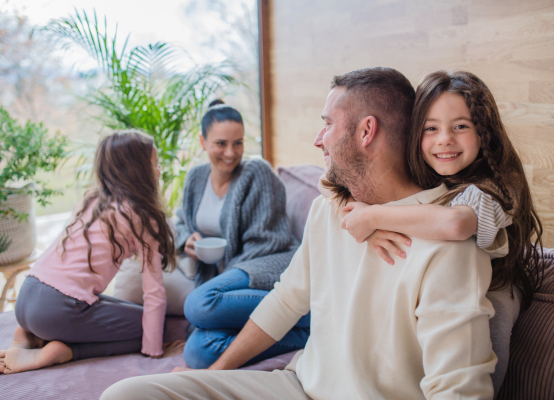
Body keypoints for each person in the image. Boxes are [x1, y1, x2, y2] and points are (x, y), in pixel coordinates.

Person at [101, 67, 498, 400]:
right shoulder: (332, 208)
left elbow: (459, 390)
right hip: (295, 386)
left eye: (327, 124)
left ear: (366, 131)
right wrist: (209, 378)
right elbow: (287, 299)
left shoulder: (450, 246)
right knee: (125, 395)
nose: (317, 138)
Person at [335, 70, 544, 396]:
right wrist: (362, 224)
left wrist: (373, 215)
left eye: (461, 126)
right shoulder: (430, 179)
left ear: (485, 133)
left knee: (487, 347)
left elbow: (455, 224)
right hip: (445, 291)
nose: (444, 139)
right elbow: (330, 180)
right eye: (431, 128)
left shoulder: (498, 188)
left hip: (497, 286)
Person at [0, 130, 180, 375]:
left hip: (28, 296)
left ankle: (31, 337)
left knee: (132, 312)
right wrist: (154, 349)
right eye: (155, 164)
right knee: (154, 328)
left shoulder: (90, 200)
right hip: (57, 309)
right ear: (138, 170)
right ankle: (65, 351)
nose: (159, 170)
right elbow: (154, 292)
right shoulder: (142, 216)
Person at [174, 100, 308, 369]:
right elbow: (181, 221)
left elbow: (269, 240)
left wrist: (226, 276)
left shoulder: (257, 173)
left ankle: (305, 316)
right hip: (230, 277)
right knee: (199, 351)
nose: (230, 153)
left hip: (268, 263)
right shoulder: (196, 178)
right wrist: (186, 238)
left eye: (238, 143)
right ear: (203, 141)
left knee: (199, 305)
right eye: (221, 143)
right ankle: (300, 335)